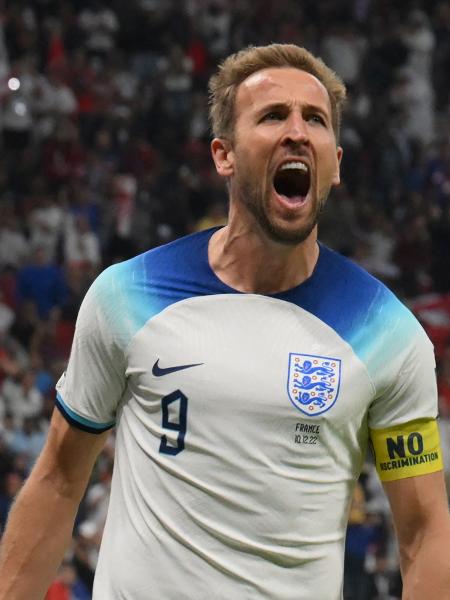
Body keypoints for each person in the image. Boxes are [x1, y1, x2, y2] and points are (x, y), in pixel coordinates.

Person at [0, 43, 449, 600]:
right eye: (272, 116)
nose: (297, 132)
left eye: (315, 120)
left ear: (336, 163)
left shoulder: (391, 335)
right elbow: (60, 480)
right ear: (224, 155)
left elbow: (425, 532)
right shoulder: (126, 296)